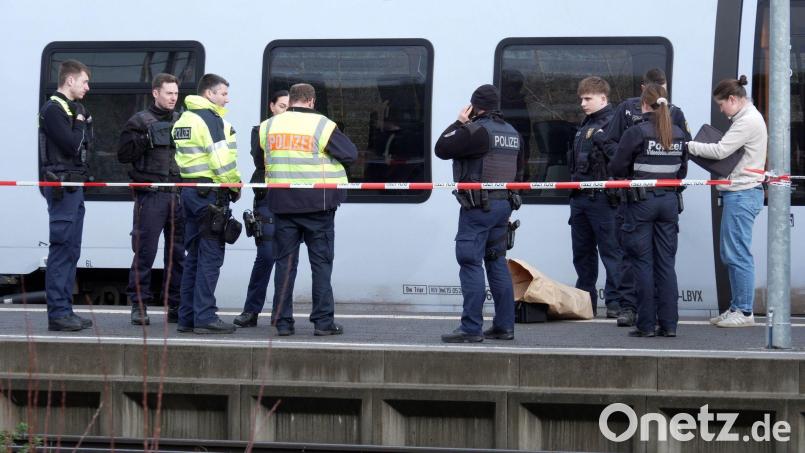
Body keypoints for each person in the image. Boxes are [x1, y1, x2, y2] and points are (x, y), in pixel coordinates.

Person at [265, 83, 357, 336]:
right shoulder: (322, 125)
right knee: (321, 265)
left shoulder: (269, 126)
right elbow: (350, 154)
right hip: (319, 206)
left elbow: (259, 156)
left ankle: (283, 322)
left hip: (282, 206)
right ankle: (323, 322)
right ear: (312, 101)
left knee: (284, 266)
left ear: (292, 100)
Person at [602, 68, 691, 327]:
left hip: (640, 203)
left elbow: (616, 168)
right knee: (665, 264)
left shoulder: (637, 132)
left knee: (640, 261)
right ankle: (669, 325)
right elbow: (682, 170)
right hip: (669, 202)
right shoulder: (678, 134)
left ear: (644, 103)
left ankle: (645, 325)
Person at [435, 84, 522, 343]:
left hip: (478, 208)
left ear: (474, 106)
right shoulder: (513, 133)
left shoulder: (475, 131)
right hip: (504, 205)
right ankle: (505, 326)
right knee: (496, 262)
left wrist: (459, 121)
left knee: (470, 261)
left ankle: (471, 328)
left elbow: (441, 148)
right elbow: (520, 170)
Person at [688, 76, 767, 328]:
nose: (721, 110)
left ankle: (744, 312)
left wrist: (689, 145)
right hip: (741, 193)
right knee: (731, 252)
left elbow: (721, 151)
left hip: (742, 193)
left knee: (737, 254)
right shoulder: (746, 118)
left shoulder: (747, 121)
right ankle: (736, 306)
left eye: (722, 104)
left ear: (733, 99)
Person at [172, 73, 242, 334]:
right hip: (210, 194)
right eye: (223, 93)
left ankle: (187, 317)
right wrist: (234, 187)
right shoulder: (210, 119)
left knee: (194, 257)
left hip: (189, 192)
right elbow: (221, 160)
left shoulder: (185, 118)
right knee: (210, 257)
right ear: (209, 94)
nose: (227, 99)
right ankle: (205, 316)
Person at [117, 73, 184, 326]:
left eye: (176, 93)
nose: (173, 98)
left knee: (177, 254)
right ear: (155, 93)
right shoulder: (139, 121)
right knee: (145, 252)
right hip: (151, 195)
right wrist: (146, 139)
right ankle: (139, 304)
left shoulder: (182, 120)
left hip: (178, 194)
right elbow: (123, 155)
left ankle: (175, 304)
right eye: (169, 93)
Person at [39, 59, 93, 332]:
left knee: (72, 250)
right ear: (69, 81)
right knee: (61, 250)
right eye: (84, 81)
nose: (87, 87)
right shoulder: (53, 109)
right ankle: (58, 314)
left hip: (73, 188)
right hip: (61, 189)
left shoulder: (70, 109)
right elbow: (72, 146)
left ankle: (66, 311)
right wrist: (81, 122)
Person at [567, 76, 623, 318]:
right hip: (580, 198)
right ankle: (585, 301)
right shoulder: (584, 125)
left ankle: (615, 302)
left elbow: (619, 159)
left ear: (603, 98)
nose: (583, 103)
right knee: (582, 253)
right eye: (581, 98)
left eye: (588, 98)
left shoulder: (613, 123)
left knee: (611, 252)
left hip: (603, 198)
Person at [234, 90, 289, 328]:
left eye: (289, 106)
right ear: (272, 107)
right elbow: (260, 160)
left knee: (287, 258)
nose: (286, 111)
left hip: (291, 198)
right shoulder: (261, 129)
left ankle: (281, 315)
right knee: (265, 256)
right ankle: (251, 311)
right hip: (267, 196)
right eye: (282, 106)